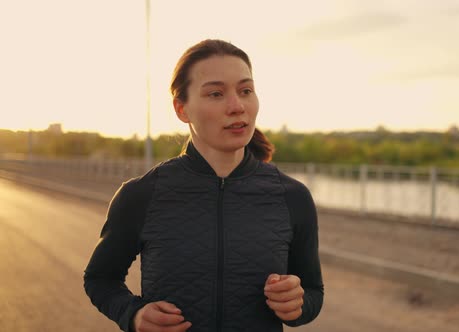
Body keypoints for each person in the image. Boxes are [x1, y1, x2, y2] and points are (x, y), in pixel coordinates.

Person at [84, 39, 324, 332]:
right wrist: (133, 314)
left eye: (246, 90)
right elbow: (100, 279)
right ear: (182, 109)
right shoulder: (141, 194)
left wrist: (297, 305)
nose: (237, 106)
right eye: (216, 93)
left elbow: (312, 292)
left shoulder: (293, 197)